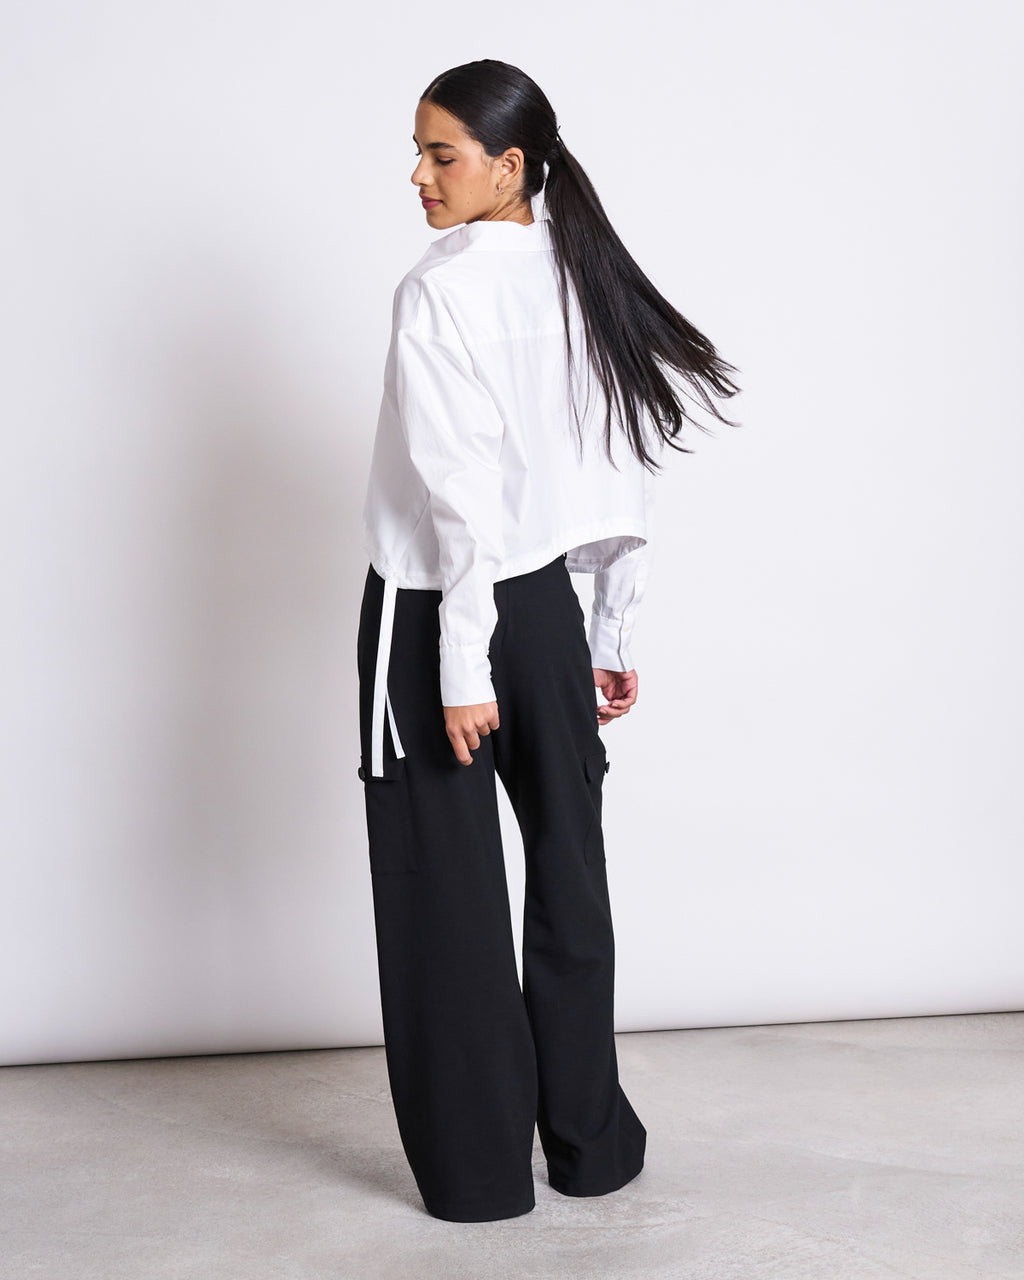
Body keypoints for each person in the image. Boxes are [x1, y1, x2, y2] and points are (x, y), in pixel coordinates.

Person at [356, 58, 741, 1223]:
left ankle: (480, 1177)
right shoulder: (585, 274)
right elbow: (623, 468)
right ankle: (590, 1145)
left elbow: (461, 493)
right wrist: (608, 623)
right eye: (418, 152)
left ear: (509, 163)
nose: (418, 176)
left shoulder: (440, 290)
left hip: (437, 608)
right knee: (570, 868)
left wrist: (459, 664)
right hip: (548, 612)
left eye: (441, 154)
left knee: (445, 891)